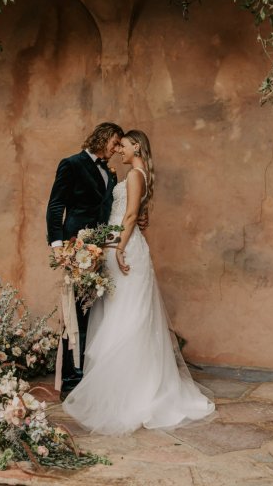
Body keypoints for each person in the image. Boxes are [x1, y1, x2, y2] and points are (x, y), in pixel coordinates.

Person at [63, 130, 215, 434]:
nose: (120, 149)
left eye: (125, 145)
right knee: (125, 316)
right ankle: (124, 389)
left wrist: (117, 248)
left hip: (126, 251)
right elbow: (128, 214)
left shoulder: (135, 175)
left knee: (128, 319)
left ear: (137, 147)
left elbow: (130, 215)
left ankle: (133, 395)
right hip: (121, 246)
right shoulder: (136, 174)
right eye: (118, 145)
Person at [46, 122, 124, 399]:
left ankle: (90, 371)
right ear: (103, 137)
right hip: (75, 246)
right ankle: (70, 378)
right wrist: (57, 245)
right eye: (115, 143)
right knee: (74, 310)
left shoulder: (109, 172)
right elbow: (56, 204)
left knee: (95, 308)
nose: (117, 149)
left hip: (102, 247)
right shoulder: (71, 164)